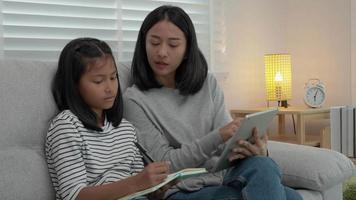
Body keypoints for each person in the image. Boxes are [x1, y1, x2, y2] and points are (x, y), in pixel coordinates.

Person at [123, 5, 303, 200]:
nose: (162, 52)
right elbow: (165, 163)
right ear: (143, 44)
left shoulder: (208, 84)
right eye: (154, 43)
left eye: (173, 44)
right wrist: (219, 136)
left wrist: (256, 149)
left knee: (265, 165)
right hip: (182, 189)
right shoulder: (134, 100)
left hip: (224, 177)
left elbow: (226, 148)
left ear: (186, 49)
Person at [45, 37, 171, 200]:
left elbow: (140, 188)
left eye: (113, 78)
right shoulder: (67, 126)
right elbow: (73, 195)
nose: (110, 88)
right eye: (98, 81)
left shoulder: (126, 129)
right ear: (74, 85)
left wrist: (156, 188)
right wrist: (136, 183)